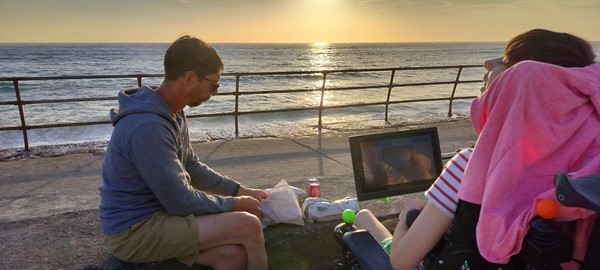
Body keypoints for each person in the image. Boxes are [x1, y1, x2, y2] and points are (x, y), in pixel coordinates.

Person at [354, 28, 597, 270]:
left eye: (506, 62)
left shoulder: (472, 166)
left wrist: (410, 210)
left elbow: (402, 260)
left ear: (521, 84)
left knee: (363, 218)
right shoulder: (587, 180)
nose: (488, 64)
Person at [99, 36, 269, 270]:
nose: (215, 93)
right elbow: (181, 201)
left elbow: (191, 165)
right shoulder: (148, 127)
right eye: (214, 85)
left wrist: (241, 190)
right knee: (248, 226)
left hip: (161, 217)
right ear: (190, 77)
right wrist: (236, 204)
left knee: (232, 256)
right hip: (134, 232)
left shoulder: (173, 112)